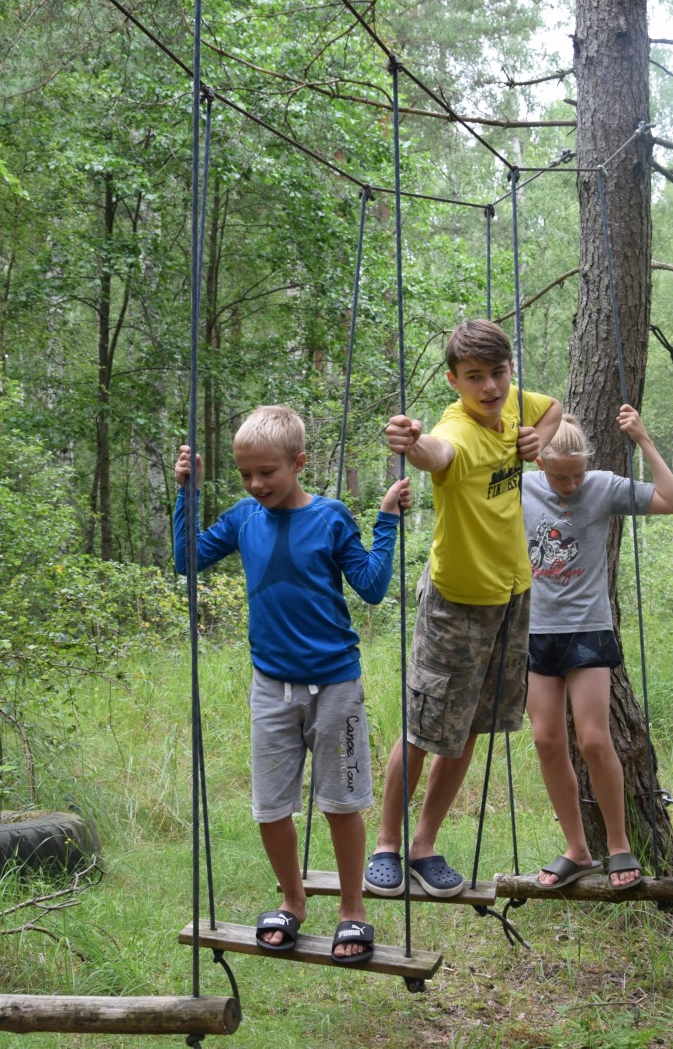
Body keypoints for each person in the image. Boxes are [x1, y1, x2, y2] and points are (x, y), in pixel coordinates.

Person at [173, 405, 410, 965]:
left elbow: (372, 587)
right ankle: (293, 900)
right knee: (270, 806)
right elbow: (188, 561)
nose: (256, 485)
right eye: (245, 474)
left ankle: (353, 909)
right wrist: (188, 491)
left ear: (299, 463)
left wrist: (386, 521)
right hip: (270, 686)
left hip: (335, 685)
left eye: (267, 473)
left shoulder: (329, 517)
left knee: (340, 803)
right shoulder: (241, 519)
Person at [364, 319, 561, 899]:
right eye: (474, 378)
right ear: (454, 381)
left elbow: (553, 409)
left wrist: (541, 441)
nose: (490, 388)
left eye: (497, 374)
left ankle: (424, 845)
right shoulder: (457, 430)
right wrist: (408, 441)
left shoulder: (515, 403)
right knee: (426, 728)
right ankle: (387, 845)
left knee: (469, 727)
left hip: (511, 596)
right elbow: (433, 452)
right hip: (455, 603)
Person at [522, 407, 673, 890]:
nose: (570, 485)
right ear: (539, 466)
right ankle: (577, 849)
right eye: (560, 477)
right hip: (534, 632)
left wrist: (644, 440)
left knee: (593, 740)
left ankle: (619, 846)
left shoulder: (603, 486)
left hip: (588, 629)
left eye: (576, 475)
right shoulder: (521, 488)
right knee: (546, 740)